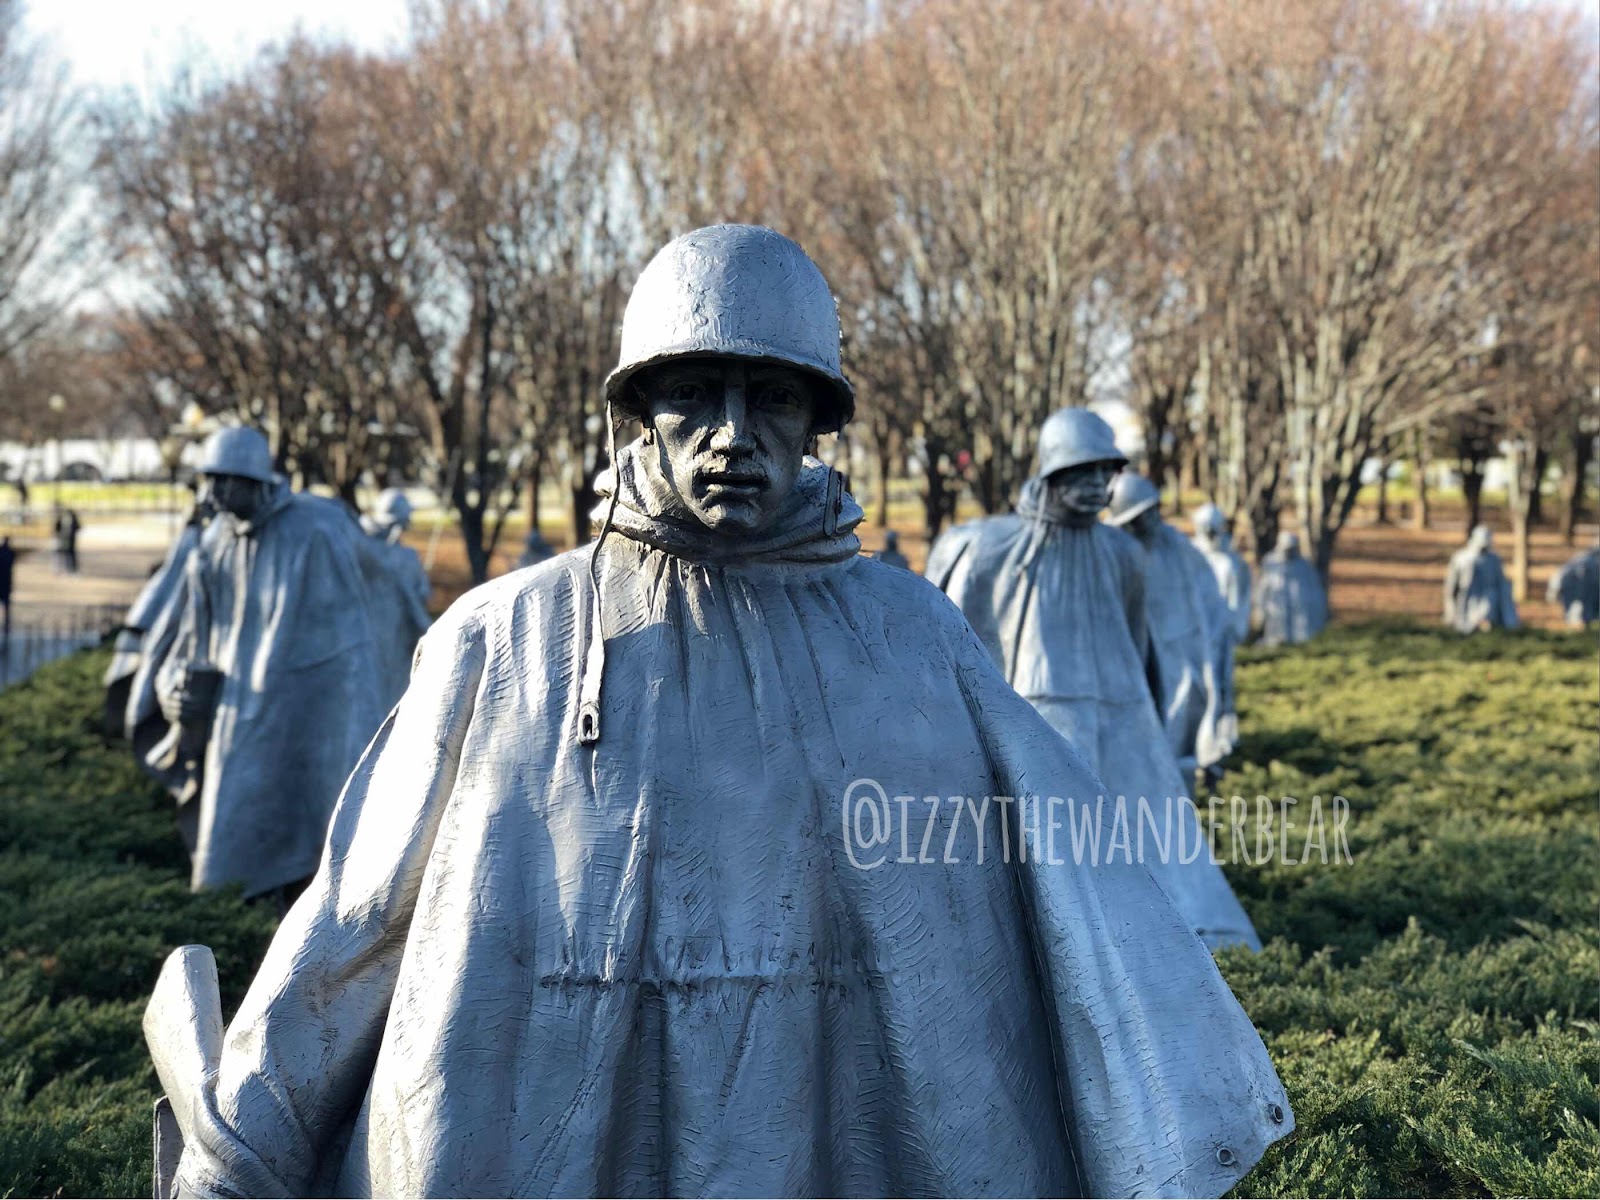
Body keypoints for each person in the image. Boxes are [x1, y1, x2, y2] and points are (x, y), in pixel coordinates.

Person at [158, 227, 1290, 1198]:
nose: (733, 433)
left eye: (774, 397)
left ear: (816, 423)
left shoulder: (909, 638)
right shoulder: (504, 640)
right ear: (638, 411)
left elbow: (1066, 900)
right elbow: (357, 921)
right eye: (693, 394)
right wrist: (241, 1144)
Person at [927, 412, 1258, 950]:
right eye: (1082, 473)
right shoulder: (998, 548)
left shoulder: (1124, 553)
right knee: (1049, 841)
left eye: (1104, 476)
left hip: (1122, 708)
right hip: (1042, 705)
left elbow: (1137, 639)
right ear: (1053, 473)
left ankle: (1164, 930)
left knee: (1153, 833)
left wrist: (1151, 715)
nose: (1095, 488)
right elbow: (963, 640)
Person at [131, 426, 382, 899]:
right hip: (236, 714)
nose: (217, 493)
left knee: (321, 837)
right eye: (211, 480)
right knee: (231, 847)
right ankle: (237, 934)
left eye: (228, 480)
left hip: (313, 711)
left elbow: (354, 644)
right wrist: (173, 687)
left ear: (257, 481)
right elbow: (190, 638)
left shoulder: (317, 530)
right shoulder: (211, 545)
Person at [1107, 473, 1237, 778]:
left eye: (1153, 512)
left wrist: (1214, 646)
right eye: (1140, 517)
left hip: (1181, 659)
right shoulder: (1112, 551)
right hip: (1133, 662)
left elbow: (1209, 602)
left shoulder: (1176, 546)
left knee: (1181, 739)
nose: (1150, 521)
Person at [104, 489, 215, 739]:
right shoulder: (196, 539)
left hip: (153, 626)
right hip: (154, 628)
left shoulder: (198, 537)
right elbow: (172, 587)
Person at [356, 488, 433, 711]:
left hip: (390, 634)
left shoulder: (368, 549)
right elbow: (424, 594)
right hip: (385, 634)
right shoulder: (400, 556)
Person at [1191, 502, 1252, 644]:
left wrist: (1237, 627)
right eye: (1205, 529)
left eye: (1212, 530)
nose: (1209, 535)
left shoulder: (1232, 562)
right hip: (1195, 628)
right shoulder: (1189, 556)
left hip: (1223, 630)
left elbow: (1239, 598)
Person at [1254, 531, 1329, 646]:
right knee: (1276, 639)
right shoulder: (1271, 563)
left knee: (1300, 639)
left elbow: (1315, 591)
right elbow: (1262, 589)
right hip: (1276, 612)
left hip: (1298, 613)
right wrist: (1260, 610)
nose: (1289, 552)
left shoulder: (1304, 566)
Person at [1443, 524, 1519, 633]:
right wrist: (1451, 609)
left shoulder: (1494, 560)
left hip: (1489, 600)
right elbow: (1451, 586)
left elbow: (1501, 584)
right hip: (1466, 599)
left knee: (1489, 600)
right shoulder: (1461, 558)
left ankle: (1487, 624)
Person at [1546, 545, 1599, 627]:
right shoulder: (1585, 562)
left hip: (1577, 586)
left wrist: (1552, 593)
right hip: (1574, 585)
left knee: (1579, 605)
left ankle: (1581, 622)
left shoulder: (1585, 561)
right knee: (1578, 605)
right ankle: (1579, 623)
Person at [0, 535, 13, 641]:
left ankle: (7, 624)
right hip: (6, 584)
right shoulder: (11, 553)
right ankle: (7, 624)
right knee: (7, 607)